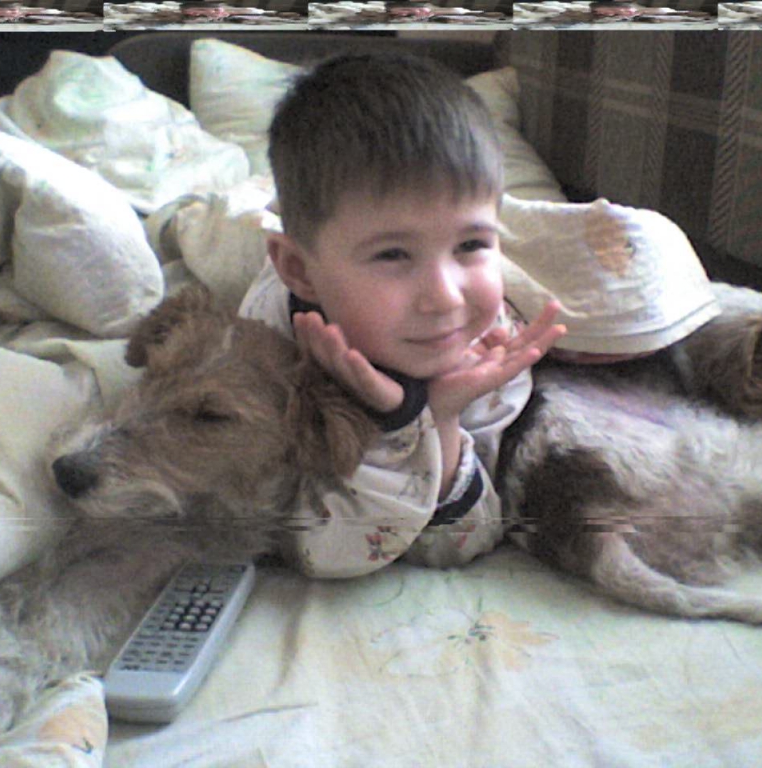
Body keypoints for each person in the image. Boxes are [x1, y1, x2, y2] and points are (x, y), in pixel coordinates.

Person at [239, 53, 565, 578]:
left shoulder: (489, 355)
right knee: (221, 236)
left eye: (472, 244)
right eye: (392, 255)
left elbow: (462, 544)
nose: (446, 298)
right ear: (299, 270)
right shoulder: (267, 344)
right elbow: (310, 544)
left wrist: (437, 419)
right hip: (259, 255)